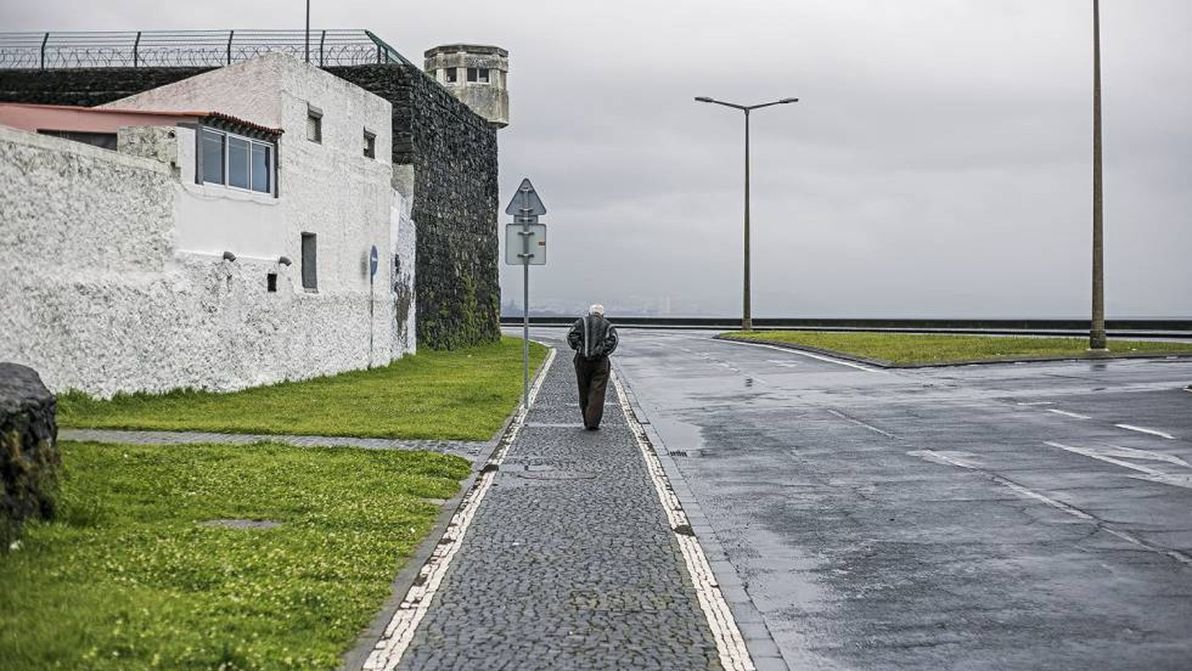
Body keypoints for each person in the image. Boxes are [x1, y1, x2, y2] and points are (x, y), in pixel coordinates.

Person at [567, 304, 619, 430]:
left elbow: (571, 336)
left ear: (590, 313)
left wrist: (580, 348)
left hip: (582, 361)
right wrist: (601, 351)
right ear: (602, 314)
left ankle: (586, 418)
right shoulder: (608, 325)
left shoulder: (581, 322)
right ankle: (593, 422)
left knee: (583, 389)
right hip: (600, 362)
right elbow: (613, 341)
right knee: (597, 391)